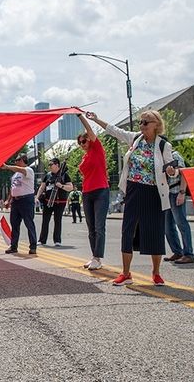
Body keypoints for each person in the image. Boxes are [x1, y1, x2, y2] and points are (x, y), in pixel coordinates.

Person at [87, 110, 178, 286]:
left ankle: (156, 273)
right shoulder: (136, 139)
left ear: (156, 125)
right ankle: (126, 273)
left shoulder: (163, 146)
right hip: (134, 190)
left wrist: (171, 171)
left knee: (154, 231)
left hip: (154, 193)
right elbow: (114, 130)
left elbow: (172, 170)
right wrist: (97, 119)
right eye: (141, 122)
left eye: (146, 122)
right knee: (127, 231)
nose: (141, 125)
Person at [76, 112, 110, 270]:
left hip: (101, 191)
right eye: (80, 143)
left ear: (90, 140)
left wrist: (80, 117)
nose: (82, 144)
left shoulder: (97, 149)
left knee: (99, 226)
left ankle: (98, 258)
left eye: (84, 141)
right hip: (87, 192)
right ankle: (94, 257)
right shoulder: (84, 157)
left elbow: (89, 130)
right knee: (90, 228)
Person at [164, 150, 194, 264]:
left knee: (181, 223)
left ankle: (189, 254)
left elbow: (185, 174)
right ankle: (177, 252)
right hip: (166, 195)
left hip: (176, 192)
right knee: (167, 227)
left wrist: (182, 193)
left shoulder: (174, 155)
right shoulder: (160, 157)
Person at [2, 154, 37, 254]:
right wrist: (8, 200)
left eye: (17, 160)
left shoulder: (28, 170)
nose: (15, 162)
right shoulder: (15, 175)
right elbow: (13, 188)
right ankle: (13, 246)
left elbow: (20, 170)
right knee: (15, 224)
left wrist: (7, 167)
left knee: (29, 223)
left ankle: (33, 246)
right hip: (16, 201)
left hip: (26, 200)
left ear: (22, 160)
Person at [35, 158, 73, 247]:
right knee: (45, 220)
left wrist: (61, 186)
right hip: (48, 201)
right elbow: (42, 187)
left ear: (57, 165)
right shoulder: (48, 175)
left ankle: (57, 240)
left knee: (57, 220)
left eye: (51, 164)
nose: (49, 166)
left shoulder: (64, 175)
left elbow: (70, 187)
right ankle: (42, 240)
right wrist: (37, 197)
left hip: (60, 202)